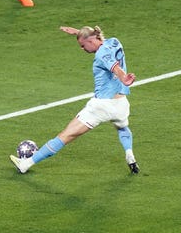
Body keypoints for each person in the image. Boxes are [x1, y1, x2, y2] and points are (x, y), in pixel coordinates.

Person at [10, 25, 140, 174]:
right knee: (122, 127)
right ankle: (129, 154)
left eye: (83, 45)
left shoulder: (101, 54)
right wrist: (78, 33)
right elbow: (106, 52)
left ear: (91, 40)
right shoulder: (115, 42)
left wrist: (123, 77)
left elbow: (113, 65)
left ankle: (25, 164)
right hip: (121, 104)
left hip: (102, 106)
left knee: (65, 136)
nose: (82, 49)